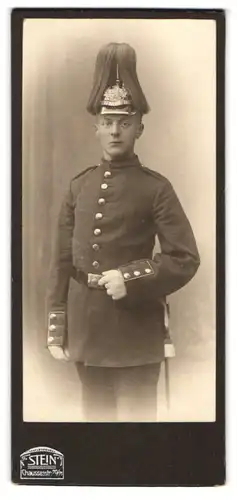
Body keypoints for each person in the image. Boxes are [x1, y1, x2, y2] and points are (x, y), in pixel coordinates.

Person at [46, 42, 200, 422]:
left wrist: (129, 277)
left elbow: (184, 258)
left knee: (136, 442)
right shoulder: (78, 187)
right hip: (85, 334)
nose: (116, 131)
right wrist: (57, 325)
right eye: (108, 121)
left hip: (135, 336)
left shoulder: (156, 188)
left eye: (125, 123)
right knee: (93, 438)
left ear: (139, 128)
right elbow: (61, 261)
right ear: (96, 126)